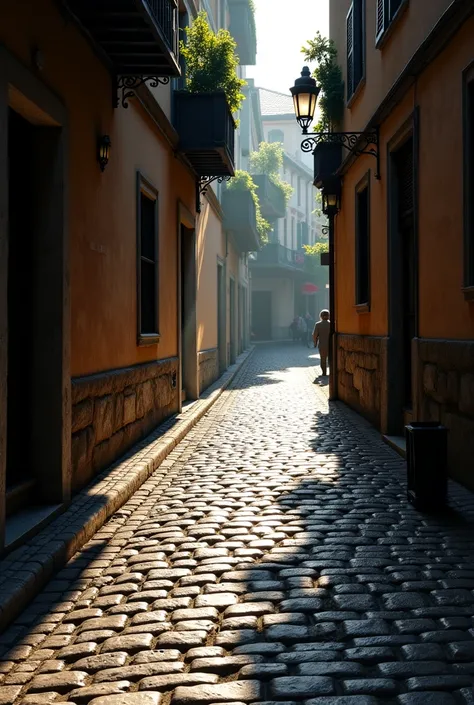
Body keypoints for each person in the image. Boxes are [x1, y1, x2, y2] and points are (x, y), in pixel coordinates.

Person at [313, 309, 330, 377]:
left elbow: (315, 335)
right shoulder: (332, 324)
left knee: (323, 359)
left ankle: (324, 373)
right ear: (328, 316)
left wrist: (315, 343)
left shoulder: (318, 324)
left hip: (322, 345)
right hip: (331, 345)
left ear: (321, 316)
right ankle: (331, 372)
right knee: (331, 359)